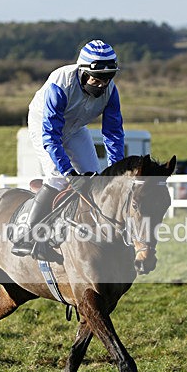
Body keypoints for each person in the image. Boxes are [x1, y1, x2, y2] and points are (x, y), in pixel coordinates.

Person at [12, 39, 126, 261]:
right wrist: (69, 173)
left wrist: (116, 169)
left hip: (75, 128)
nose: (103, 84)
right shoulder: (60, 83)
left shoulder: (111, 91)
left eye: (108, 77)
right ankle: (28, 235)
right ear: (83, 72)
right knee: (57, 178)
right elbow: (51, 137)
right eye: (98, 78)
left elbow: (113, 133)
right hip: (44, 126)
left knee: (94, 177)